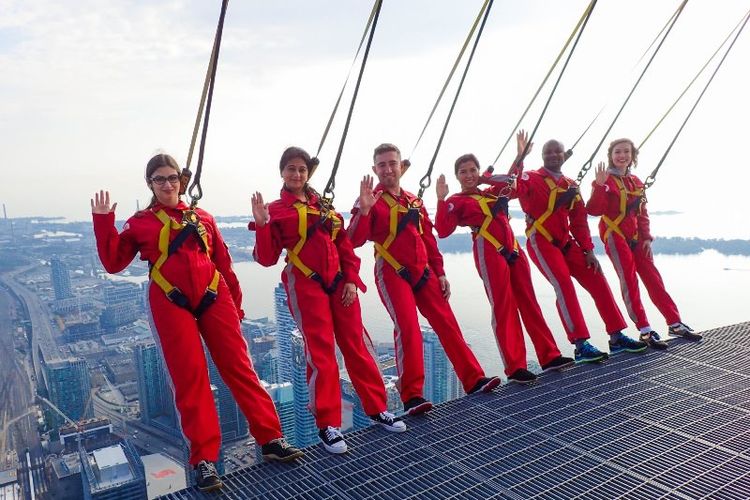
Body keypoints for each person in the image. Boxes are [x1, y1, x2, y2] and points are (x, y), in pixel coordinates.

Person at [91, 153, 302, 493]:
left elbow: (222, 261)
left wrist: (237, 306)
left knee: (240, 368)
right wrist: (103, 222)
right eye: (159, 179)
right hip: (169, 299)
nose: (167, 184)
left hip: (214, 295)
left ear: (181, 180)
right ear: (150, 184)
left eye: (172, 177)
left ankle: (271, 439)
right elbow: (114, 262)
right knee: (191, 378)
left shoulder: (202, 217)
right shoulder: (140, 222)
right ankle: (203, 458)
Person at [250, 146, 406, 455]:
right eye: (291, 168)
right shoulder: (276, 210)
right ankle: (328, 424)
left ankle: (377, 408)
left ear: (308, 174)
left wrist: (350, 278)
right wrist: (264, 225)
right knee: (321, 352)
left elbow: (345, 245)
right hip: (305, 284)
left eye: (302, 170)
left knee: (358, 345)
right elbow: (266, 258)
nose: (297, 174)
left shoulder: (325, 208)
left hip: (339, 284)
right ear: (282, 172)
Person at [349, 143, 501, 416]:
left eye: (392, 163)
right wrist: (364, 211)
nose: (387, 169)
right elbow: (354, 240)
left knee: (447, 323)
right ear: (375, 169)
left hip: (424, 271)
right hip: (393, 271)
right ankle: (412, 396)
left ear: (400, 166)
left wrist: (440, 272)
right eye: (381, 165)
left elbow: (428, 239)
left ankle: (473, 379)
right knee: (408, 328)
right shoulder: (370, 200)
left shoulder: (414, 202)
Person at [483, 134, 648, 362]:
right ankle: (580, 344)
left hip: (566, 242)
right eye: (548, 152)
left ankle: (616, 336)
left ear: (563, 155)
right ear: (542, 156)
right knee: (564, 285)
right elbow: (509, 186)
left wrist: (589, 251)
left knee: (597, 279)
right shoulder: (531, 178)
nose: (553, 155)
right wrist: (520, 157)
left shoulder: (570, 185)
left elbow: (579, 221)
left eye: (556, 152)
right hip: (541, 241)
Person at [434, 133, 575, 384]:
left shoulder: (492, 192)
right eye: (463, 172)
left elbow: (513, 182)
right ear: (457, 176)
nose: (469, 175)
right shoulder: (457, 201)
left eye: (472, 170)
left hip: (513, 248)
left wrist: (520, 156)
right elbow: (443, 230)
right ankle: (515, 366)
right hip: (488, 249)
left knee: (529, 301)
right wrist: (442, 199)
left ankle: (549, 355)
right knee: (503, 306)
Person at [586, 138, 701, 346]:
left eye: (626, 152)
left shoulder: (636, 182)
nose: (622, 156)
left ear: (632, 156)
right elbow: (594, 210)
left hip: (636, 237)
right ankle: (645, 330)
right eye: (618, 152)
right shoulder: (607, 180)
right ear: (611, 156)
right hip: (614, 235)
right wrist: (599, 186)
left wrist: (646, 237)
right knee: (629, 282)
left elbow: (642, 213)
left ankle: (675, 323)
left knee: (653, 278)